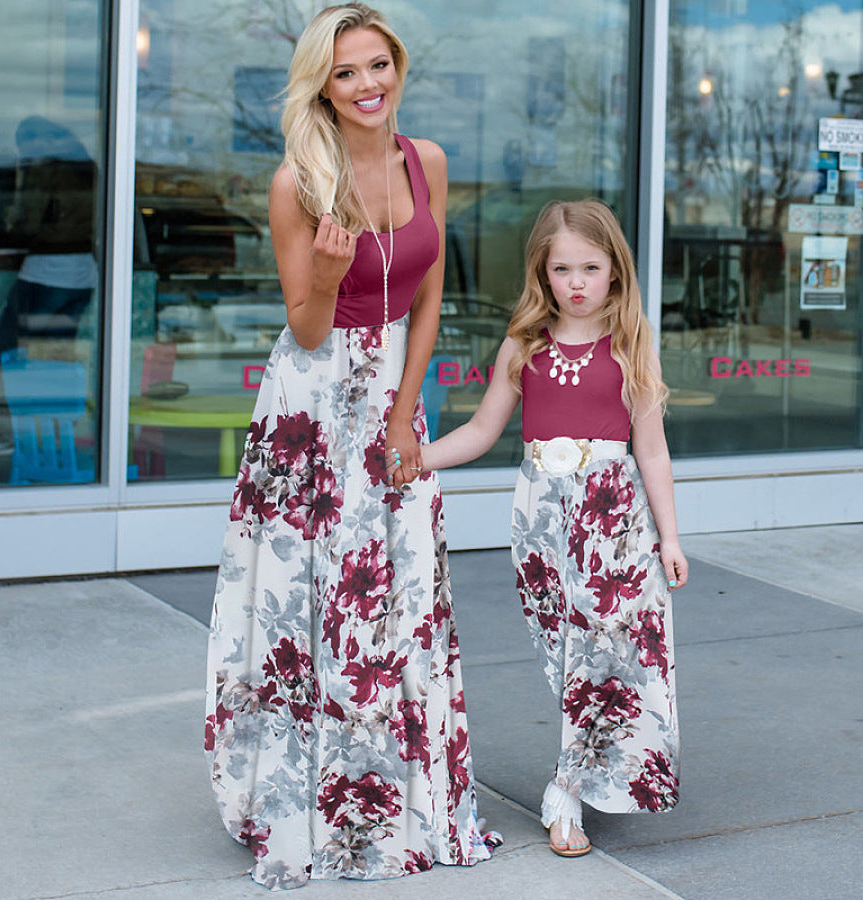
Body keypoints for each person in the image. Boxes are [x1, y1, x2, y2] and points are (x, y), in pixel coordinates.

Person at [204, 4, 495, 889]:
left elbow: (431, 297)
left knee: (398, 589)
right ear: (320, 86)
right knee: (312, 598)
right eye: (346, 72)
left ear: (397, 69)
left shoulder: (426, 161)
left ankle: (398, 795)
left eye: (379, 66)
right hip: (312, 403)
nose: (368, 85)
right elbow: (305, 324)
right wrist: (328, 274)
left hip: (394, 394)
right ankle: (310, 802)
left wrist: (408, 415)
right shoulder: (297, 181)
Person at [421, 199, 686, 858]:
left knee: (607, 655)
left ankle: (566, 791)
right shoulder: (524, 342)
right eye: (562, 267)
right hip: (541, 520)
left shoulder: (631, 341)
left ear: (615, 272)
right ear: (542, 272)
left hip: (614, 521)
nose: (576, 282)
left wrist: (670, 537)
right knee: (566, 659)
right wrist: (414, 459)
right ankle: (582, 777)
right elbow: (483, 431)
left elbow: (650, 448)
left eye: (590, 268)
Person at [0, 115, 97, 458]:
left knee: (9, 352)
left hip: (46, 273)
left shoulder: (44, 169)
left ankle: (9, 435)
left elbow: (28, 221)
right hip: (83, 274)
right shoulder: (90, 168)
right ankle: (56, 435)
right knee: (56, 358)